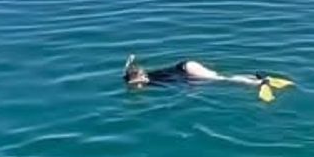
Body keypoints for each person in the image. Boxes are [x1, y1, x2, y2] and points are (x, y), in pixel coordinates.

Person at [122, 54, 294, 102]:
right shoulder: (146, 76)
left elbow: (175, 83)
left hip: (188, 70)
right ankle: (255, 77)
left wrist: (189, 89)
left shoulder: (150, 81)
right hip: (187, 66)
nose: (136, 87)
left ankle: (258, 82)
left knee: (220, 80)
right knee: (219, 77)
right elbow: (131, 71)